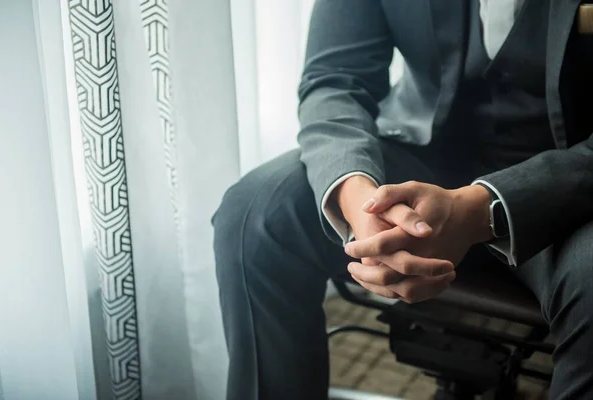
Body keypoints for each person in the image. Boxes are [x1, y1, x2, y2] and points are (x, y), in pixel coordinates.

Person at [212, 1, 593, 399]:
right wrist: (360, 201)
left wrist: (477, 211)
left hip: (570, 186)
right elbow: (335, 77)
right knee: (256, 216)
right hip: (421, 153)